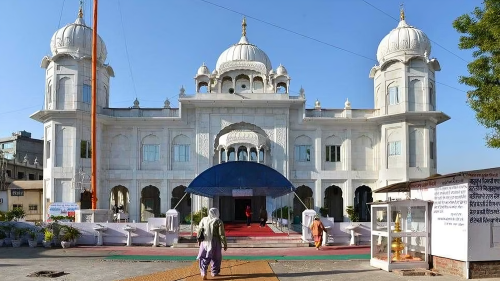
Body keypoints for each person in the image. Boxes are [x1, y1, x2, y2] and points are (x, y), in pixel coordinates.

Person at [196, 208, 227, 279]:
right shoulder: (218, 221)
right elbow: (221, 234)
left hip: (205, 241)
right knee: (216, 258)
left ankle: (203, 272)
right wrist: (225, 243)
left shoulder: (204, 219)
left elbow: (200, 230)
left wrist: (199, 240)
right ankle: (214, 272)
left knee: (204, 257)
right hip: (215, 242)